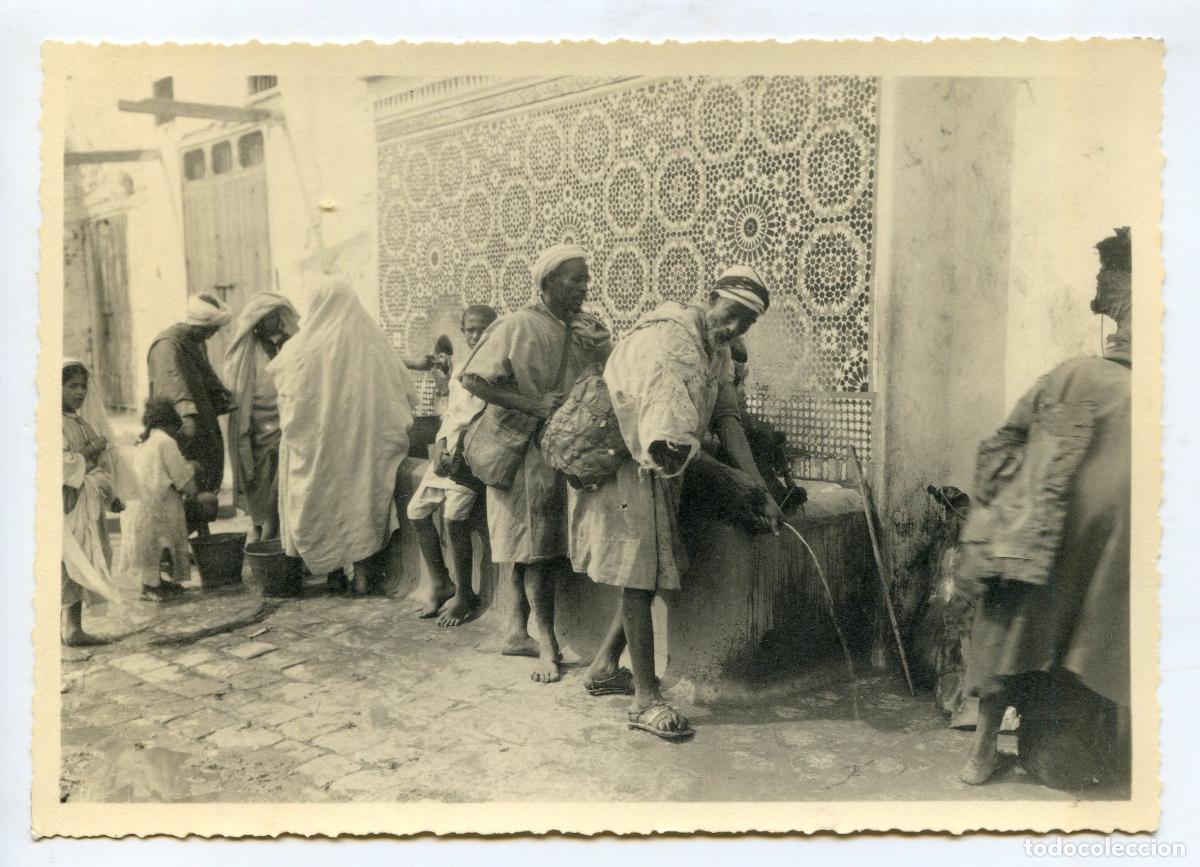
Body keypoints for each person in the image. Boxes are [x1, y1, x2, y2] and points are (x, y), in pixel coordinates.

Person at [572, 265, 783, 740]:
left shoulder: (715, 350)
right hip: (630, 463)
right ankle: (645, 698)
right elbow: (666, 441)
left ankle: (605, 667)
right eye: (731, 315)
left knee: (649, 571)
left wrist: (759, 487)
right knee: (638, 574)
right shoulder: (670, 343)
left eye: (745, 324)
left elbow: (727, 419)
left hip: (663, 465)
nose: (733, 328)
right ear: (711, 298)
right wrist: (735, 480)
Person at [958, 228, 1132, 789]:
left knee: (1012, 605)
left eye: (1107, 272)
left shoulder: (1075, 376)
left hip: (1049, 540)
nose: (1098, 279)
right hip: (1099, 552)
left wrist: (1006, 503)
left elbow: (1002, 446)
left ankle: (982, 755)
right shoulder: (1104, 380)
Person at [460, 244, 611, 683]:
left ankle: (514, 632)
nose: (585, 287)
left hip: (559, 452)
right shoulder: (518, 324)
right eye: (575, 280)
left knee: (527, 548)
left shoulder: (579, 329)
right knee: (536, 552)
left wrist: (602, 347)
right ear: (546, 284)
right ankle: (547, 646)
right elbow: (471, 378)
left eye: (586, 278)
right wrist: (533, 404)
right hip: (521, 453)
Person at [268, 280, 418, 594]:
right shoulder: (372, 343)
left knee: (325, 502)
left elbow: (288, 397)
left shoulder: (299, 347)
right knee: (359, 502)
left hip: (320, 448)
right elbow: (403, 393)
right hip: (363, 446)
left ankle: (333, 571)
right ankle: (363, 576)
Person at [407, 305, 498, 626]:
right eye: (469, 330)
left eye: (482, 329)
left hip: (472, 457)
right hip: (449, 454)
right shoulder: (463, 366)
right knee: (416, 511)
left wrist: (457, 451)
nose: (476, 335)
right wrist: (441, 449)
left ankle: (464, 594)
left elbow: (483, 421)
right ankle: (440, 582)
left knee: (453, 518)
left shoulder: (497, 366)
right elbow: (450, 416)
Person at [147, 293, 235, 531]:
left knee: (204, 482)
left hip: (201, 424)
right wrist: (188, 418)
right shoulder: (168, 345)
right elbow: (173, 385)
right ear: (198, 325)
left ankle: (201, 539)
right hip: (183, 429)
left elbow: (205, 375)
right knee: (185, 485)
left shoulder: (195, 342)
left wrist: (223, 396)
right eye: (211, 329)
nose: (213, 334)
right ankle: (175, 545)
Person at [223, 292, 300, 542]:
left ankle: (284, 538)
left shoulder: (291, 343)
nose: (274, 320)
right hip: (259, 428)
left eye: (277, 315)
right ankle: (262, 534)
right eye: (268, 317)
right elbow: (242, 393)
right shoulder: (249, 351)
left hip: (289, 421)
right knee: (260, 482)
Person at [61, 360, 127, 645]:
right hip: (69, 503)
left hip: (89, 501)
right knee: (69, 561)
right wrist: (91, 449)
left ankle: (74, 626)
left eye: (83, 387)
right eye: (72, 386)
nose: (79, 392)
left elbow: (100, 464)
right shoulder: (51, 423)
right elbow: (62, 465)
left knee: (90, 557)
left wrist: (111, 494)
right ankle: (70, 629)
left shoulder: (79, 420)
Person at [118, 398, 199, 602]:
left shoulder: (145, 442)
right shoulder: (165, 441)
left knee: (151, 544)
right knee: (164, 533)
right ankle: (150, 587)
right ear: (171, 423)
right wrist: (193, 469)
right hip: (154, 509)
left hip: (138, 508)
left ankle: (154, 582)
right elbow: (185, 483)